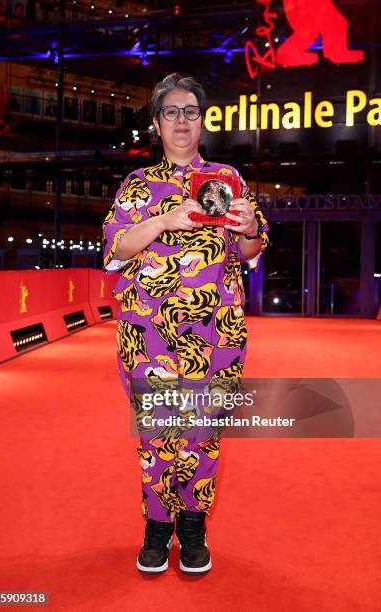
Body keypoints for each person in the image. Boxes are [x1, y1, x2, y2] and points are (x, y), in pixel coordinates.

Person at [102, 73, 269, 575]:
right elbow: (113, 251)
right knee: (157, 433)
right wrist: (161, 221)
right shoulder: (136, 186)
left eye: (190, 112)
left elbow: (251, 251)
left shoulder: (228, 179)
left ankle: (192, 525)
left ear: (202, 120)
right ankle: (156, 526)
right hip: (148, 333)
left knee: (203, 432)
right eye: (171, 112)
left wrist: (251, 227)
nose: (181, 121)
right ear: (156, 123)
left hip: (217, 333)